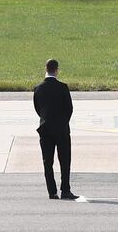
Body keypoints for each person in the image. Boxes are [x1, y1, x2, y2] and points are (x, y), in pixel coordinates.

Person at [33, 59, 78, 200]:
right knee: (64, 160)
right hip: (61, 129)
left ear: (45, 69)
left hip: (45, 129)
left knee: (48, 162)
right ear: (57, 70)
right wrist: (62, 122)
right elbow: (69, 109)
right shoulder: (63, 87)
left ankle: (52, 192)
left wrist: (46, 119)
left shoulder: (38, 88)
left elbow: (37, 108)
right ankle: (65, 189)